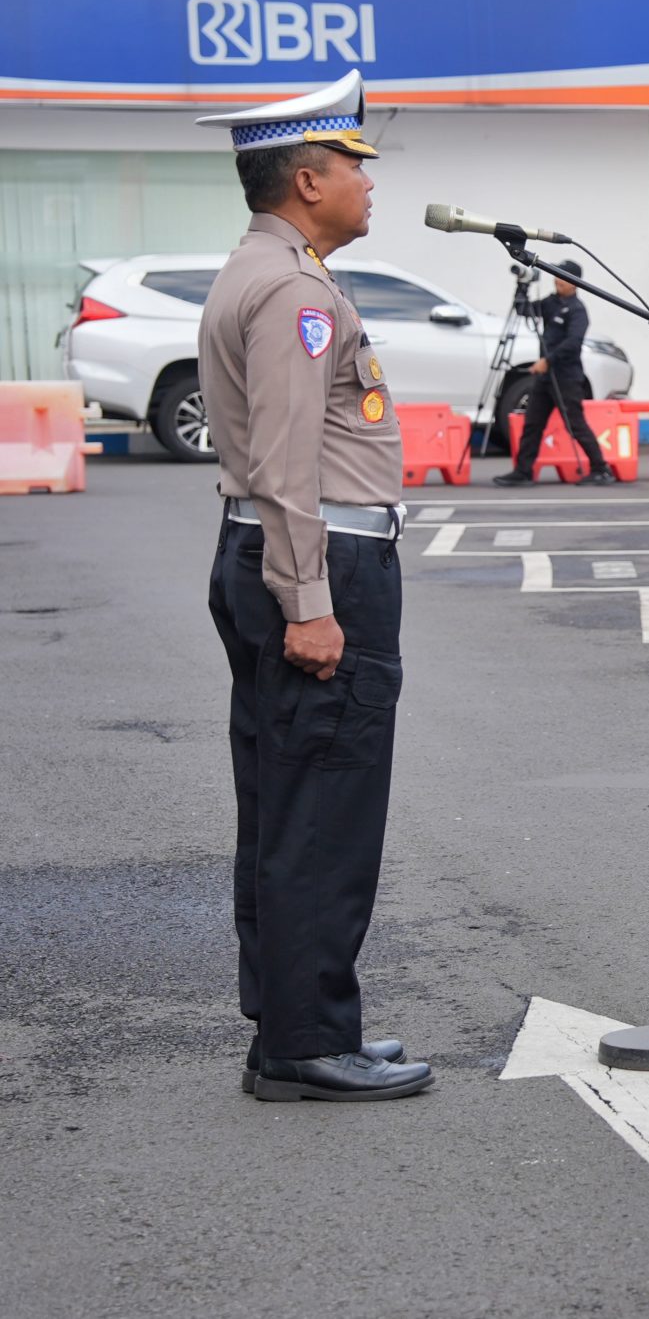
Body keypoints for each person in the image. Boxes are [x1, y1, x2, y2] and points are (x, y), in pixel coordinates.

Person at [195, 71, 434, 1104]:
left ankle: (298, 1019)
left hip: (278, 550)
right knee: (323, 807)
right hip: (318, 560)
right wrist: (311, 604)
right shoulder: (293, 290)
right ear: (306, 179)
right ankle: (303, 1040)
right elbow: (290, 459)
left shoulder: (271, 270)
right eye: (352, 167)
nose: (367, 186)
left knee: (287, 799)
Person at [490, 260, 613, 488]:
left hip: (566, 376)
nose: (558, 280)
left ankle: (600, 468)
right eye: (556, 275)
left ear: (575, 282)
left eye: (563, 277)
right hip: (545, 378)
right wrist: (522, 285)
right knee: (532, 423)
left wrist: (548, 360)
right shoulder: (551, 302)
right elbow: (524, 310)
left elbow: (573, 343)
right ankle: (523, 471)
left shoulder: (577, 310)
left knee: (575, 424)